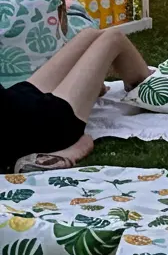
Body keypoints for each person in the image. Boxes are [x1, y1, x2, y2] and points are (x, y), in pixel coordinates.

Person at [0, 26, 151, 173]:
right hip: (38, 125)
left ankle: (95, 87)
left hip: (15, 101)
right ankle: (151, 91)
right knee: (114, 38)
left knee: (90, 34)